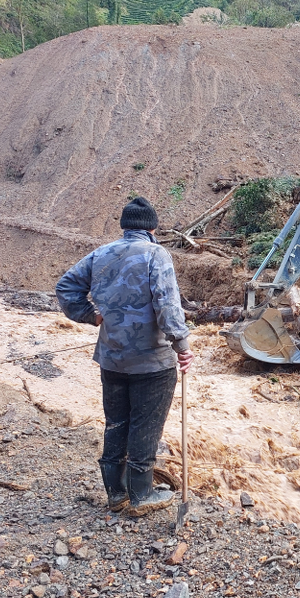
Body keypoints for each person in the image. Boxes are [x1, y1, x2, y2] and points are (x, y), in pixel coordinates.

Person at [56, 196, 194, 518]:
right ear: (153, 227)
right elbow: (167, 305)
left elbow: (65, 288)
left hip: (112, 358)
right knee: (145, 427)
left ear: (124, 226)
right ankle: (140, 495)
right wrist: (182, 346)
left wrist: (91, 316)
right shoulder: (157, 255)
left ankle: (116, 493)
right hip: (151, 362)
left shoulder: (100, 254)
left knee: (116, 423)